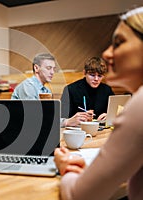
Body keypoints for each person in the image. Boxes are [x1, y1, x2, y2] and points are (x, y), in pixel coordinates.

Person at [54, 6, 143, 200]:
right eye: (92, 74)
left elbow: (80, 195)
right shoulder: (71, 89)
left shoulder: (139, 105)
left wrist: (65, 167)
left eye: (118, 43)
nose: (107, 53)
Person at [60, 57, 114, 127]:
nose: (96, 79)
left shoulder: (107, 90)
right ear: (84, 73)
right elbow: (62, 117)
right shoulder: (70, 89)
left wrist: (109, 116)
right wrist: (72, 119)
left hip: (101, 129)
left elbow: (116, 112)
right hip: (76, 129)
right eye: (92, 75)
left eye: (100, 76)